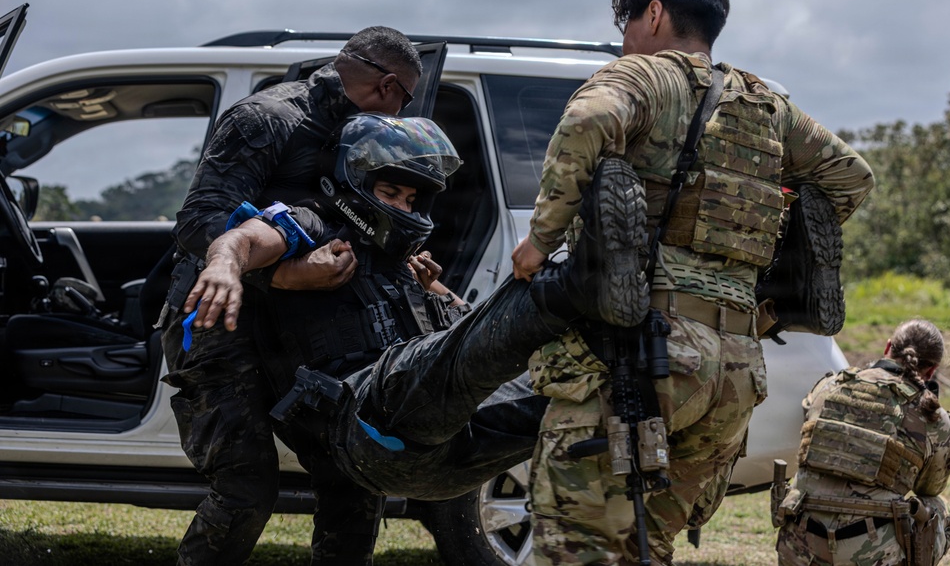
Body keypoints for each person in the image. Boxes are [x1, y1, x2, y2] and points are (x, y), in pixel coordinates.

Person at [509, 0, 876, 565]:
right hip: (734, 370)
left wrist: (540, 241)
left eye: (628, 24)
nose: (624, 42)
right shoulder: (765, 105)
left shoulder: (645, 77)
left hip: (648, 352)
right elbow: (851, 178)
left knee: (580, 546)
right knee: (644, 547)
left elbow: (588, 119)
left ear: (653, 14)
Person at [183, 115, 649, 503]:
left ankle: (629, 355)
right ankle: (576, 278)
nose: (403, 206)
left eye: (411, 199)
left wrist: (439, 295)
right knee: (467, 348)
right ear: (356, 183)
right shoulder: (317, 226)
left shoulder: (407, 266)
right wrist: (224, 267)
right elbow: (244, 237)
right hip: (370, 424)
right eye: (390, 194)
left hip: (446, 458)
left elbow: (469, 342)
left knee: (563, 392)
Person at [159, 27, 422, 566]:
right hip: (221, 318)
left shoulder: (362, 134)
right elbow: (198, 223)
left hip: (306, 325)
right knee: (246, 487)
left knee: (354, 473)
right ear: (390, 85)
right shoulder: (268, 119)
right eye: (407, 99)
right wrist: (280, 276)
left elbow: (356, 218)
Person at [774, 319, 950, 566]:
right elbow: (930, 487)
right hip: (870, 552)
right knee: (940, 509)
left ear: (888, 348)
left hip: (798, 546)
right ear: (931, 370)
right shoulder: (932, 417)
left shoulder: (828, 386)